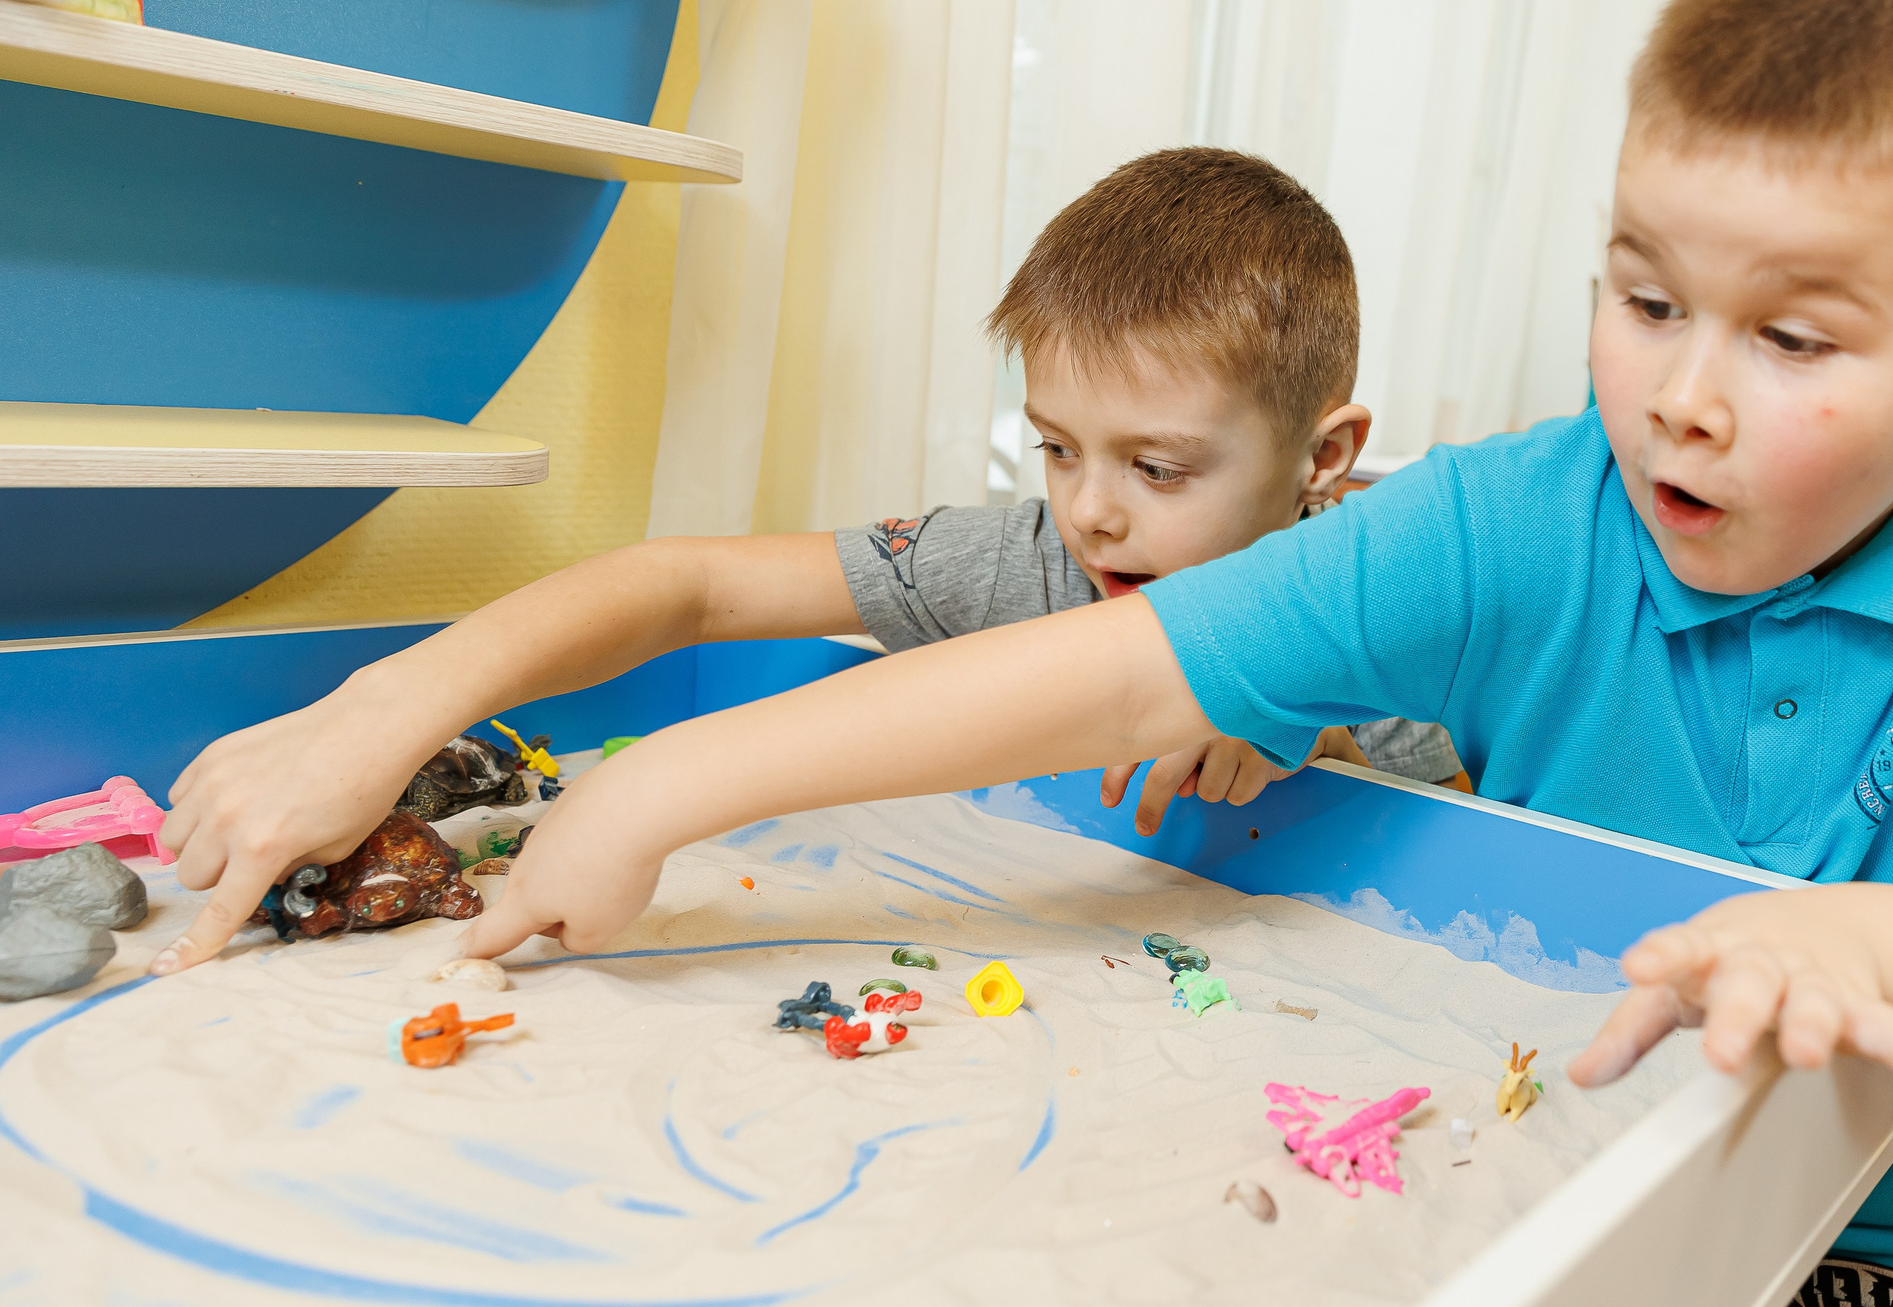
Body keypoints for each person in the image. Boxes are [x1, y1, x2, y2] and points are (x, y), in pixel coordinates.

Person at [165, 0, 1893, 1307]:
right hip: (1535, 1131)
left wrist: (1856, 934)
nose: (1684, 393)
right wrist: (665, 775)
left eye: (1794, 334)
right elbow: (1095, 665)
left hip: (1848, 1226)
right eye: (1638, 296)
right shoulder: (1519, 507)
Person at [150, 147, 1460, 975]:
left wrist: (1310, 742)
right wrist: (386, 708)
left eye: (1158, 469)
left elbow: (1479, 798)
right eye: (1056, 447)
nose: (1091, 515)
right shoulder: (1017, 557)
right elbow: (695, 585)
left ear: (1325, 455)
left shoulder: (1396, 590)